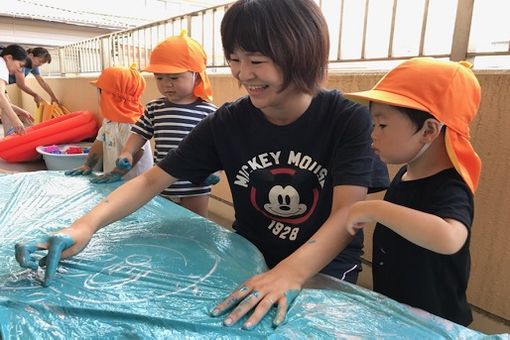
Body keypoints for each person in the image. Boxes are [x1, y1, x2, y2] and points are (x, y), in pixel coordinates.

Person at [15, 0, 388, 329]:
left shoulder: (347, 119)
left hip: (325, 263)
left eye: (257, 61)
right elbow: (151, 181)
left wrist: (291, 272)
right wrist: (84, 226)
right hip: (250, 251)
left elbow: (347, 214)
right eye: (235, 60)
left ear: (301, 56)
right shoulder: (229, 122)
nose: (243, 74)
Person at [342, 57, 481, 326]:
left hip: (435, 324)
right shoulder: (407, 172)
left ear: (429, 130)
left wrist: (375, 209)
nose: (373, 134)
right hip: (398, 313)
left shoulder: (450, 185)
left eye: (382, 125)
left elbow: (450, 237)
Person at [96, 30, 218, 217]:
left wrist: (211, 168)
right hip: (162, 179)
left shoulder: (208, 111)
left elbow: (218, 146)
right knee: (166, 221)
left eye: (174, 77)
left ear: (196, 75)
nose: (166, 84)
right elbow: (139, 133)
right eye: (159, 78)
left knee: (196, 225)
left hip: (196, 182)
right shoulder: (154, 108)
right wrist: (128, 151)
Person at [64, 65, 153, 182]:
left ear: (111, 96)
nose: (99, 96)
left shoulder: (131, 124)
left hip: (135, 182)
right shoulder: (109, 120)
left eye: (101, 91)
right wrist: (88, 165)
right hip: (116, 179)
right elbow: (99, 144)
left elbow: (137, 152)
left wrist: (117, 173)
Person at [0, 44, 33, 135]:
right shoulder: (2, 65)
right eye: (20, 65)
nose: (19, 69)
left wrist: (18, 110)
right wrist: (15, 120)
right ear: (9, 58)